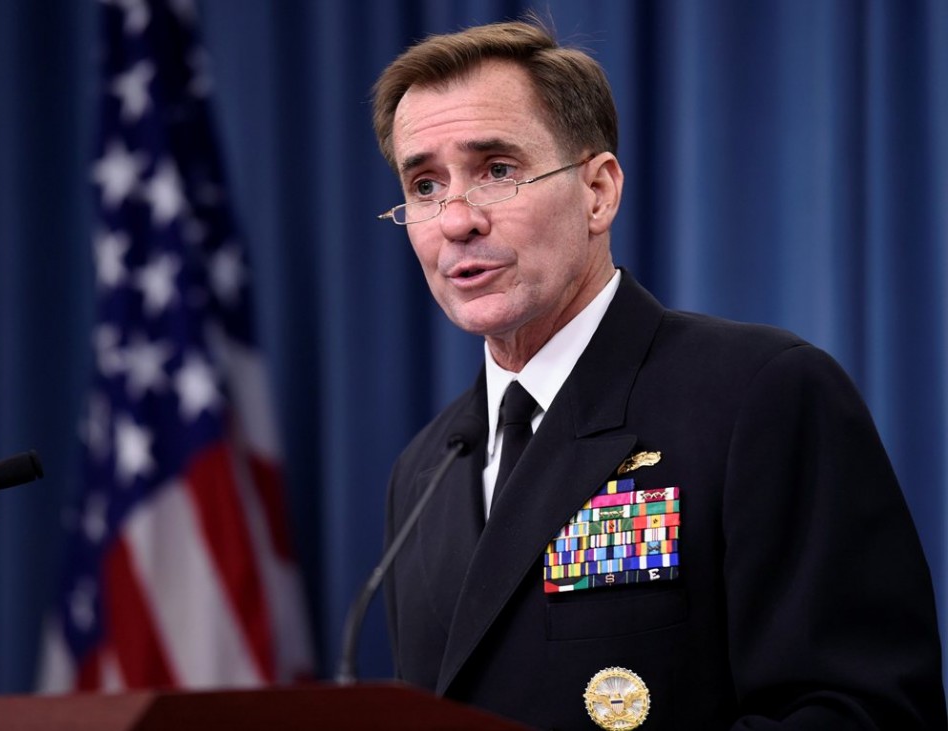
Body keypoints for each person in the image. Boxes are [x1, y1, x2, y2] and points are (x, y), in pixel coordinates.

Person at [371, 17, 946, 731]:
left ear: (598, 191)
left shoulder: (759, 395)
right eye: (424, 185)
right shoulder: (422, 472)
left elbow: (864, 711)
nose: (455, 220)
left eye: (496, 170)